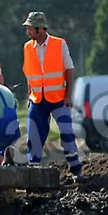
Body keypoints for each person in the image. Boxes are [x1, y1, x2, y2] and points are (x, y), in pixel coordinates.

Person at [21, 11, 83, 180]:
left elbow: (69, 70)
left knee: (66, 132)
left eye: (29, 29)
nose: (27, 32)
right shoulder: (27, 48)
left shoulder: (59, 44)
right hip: (37, 100)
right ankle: (32, 173)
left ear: (40, 29)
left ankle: (76, 170)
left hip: (58, 99)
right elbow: (29, 72)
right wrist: (29, 95)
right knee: (34, 135)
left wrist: (68, 96)